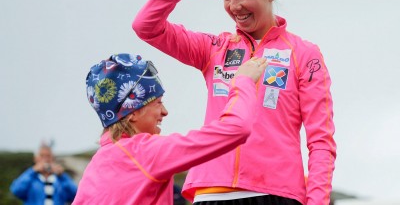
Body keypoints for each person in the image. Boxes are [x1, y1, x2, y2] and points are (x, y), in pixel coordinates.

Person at [132, 0, 337, 205]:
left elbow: (321, 140)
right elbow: (146, 27)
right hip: (210, 192)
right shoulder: (213, 48)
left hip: (276, 194)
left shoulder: (305, 54)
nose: (234, 6)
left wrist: (317, 202)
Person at [73, 53, 267, 204]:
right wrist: (244, 82)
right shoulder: (145, 153)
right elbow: (236, 128)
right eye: (158, 102)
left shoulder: (97, 165)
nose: (165, 112)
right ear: (131, 112)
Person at [10, 143, 77, 205]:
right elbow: (16, 190)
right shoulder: (30, 177)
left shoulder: (60, 179)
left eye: (48, 156)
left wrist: (62, 176)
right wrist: (33, 171)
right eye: (42, 156)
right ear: (35, 159)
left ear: (53, 158)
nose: (45, 159)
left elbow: (75, 194)